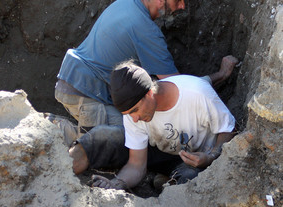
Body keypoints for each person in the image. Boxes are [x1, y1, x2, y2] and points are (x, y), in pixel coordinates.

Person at [54, 0, 238, 174]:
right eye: (179, 0)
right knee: (124, 138)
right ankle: (58, 132)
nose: (182, 6)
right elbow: (176, 85)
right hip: (85, 92)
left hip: (72, 80)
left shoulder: (130, 1)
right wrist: (221, 75)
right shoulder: (146, 30)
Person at [91, 60, 236, 190]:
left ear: (149, 93)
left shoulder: (197, 94)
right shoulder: (132, 114)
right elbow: (136, 165)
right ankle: (162, 179)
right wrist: (115, 185)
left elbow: (229, 129)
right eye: (128, 114)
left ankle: (166, 182)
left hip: (199, 157)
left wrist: (210, 157)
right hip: (165, 154)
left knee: (190, 179)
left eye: (135, 110)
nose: (134, 119)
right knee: (102, 138)